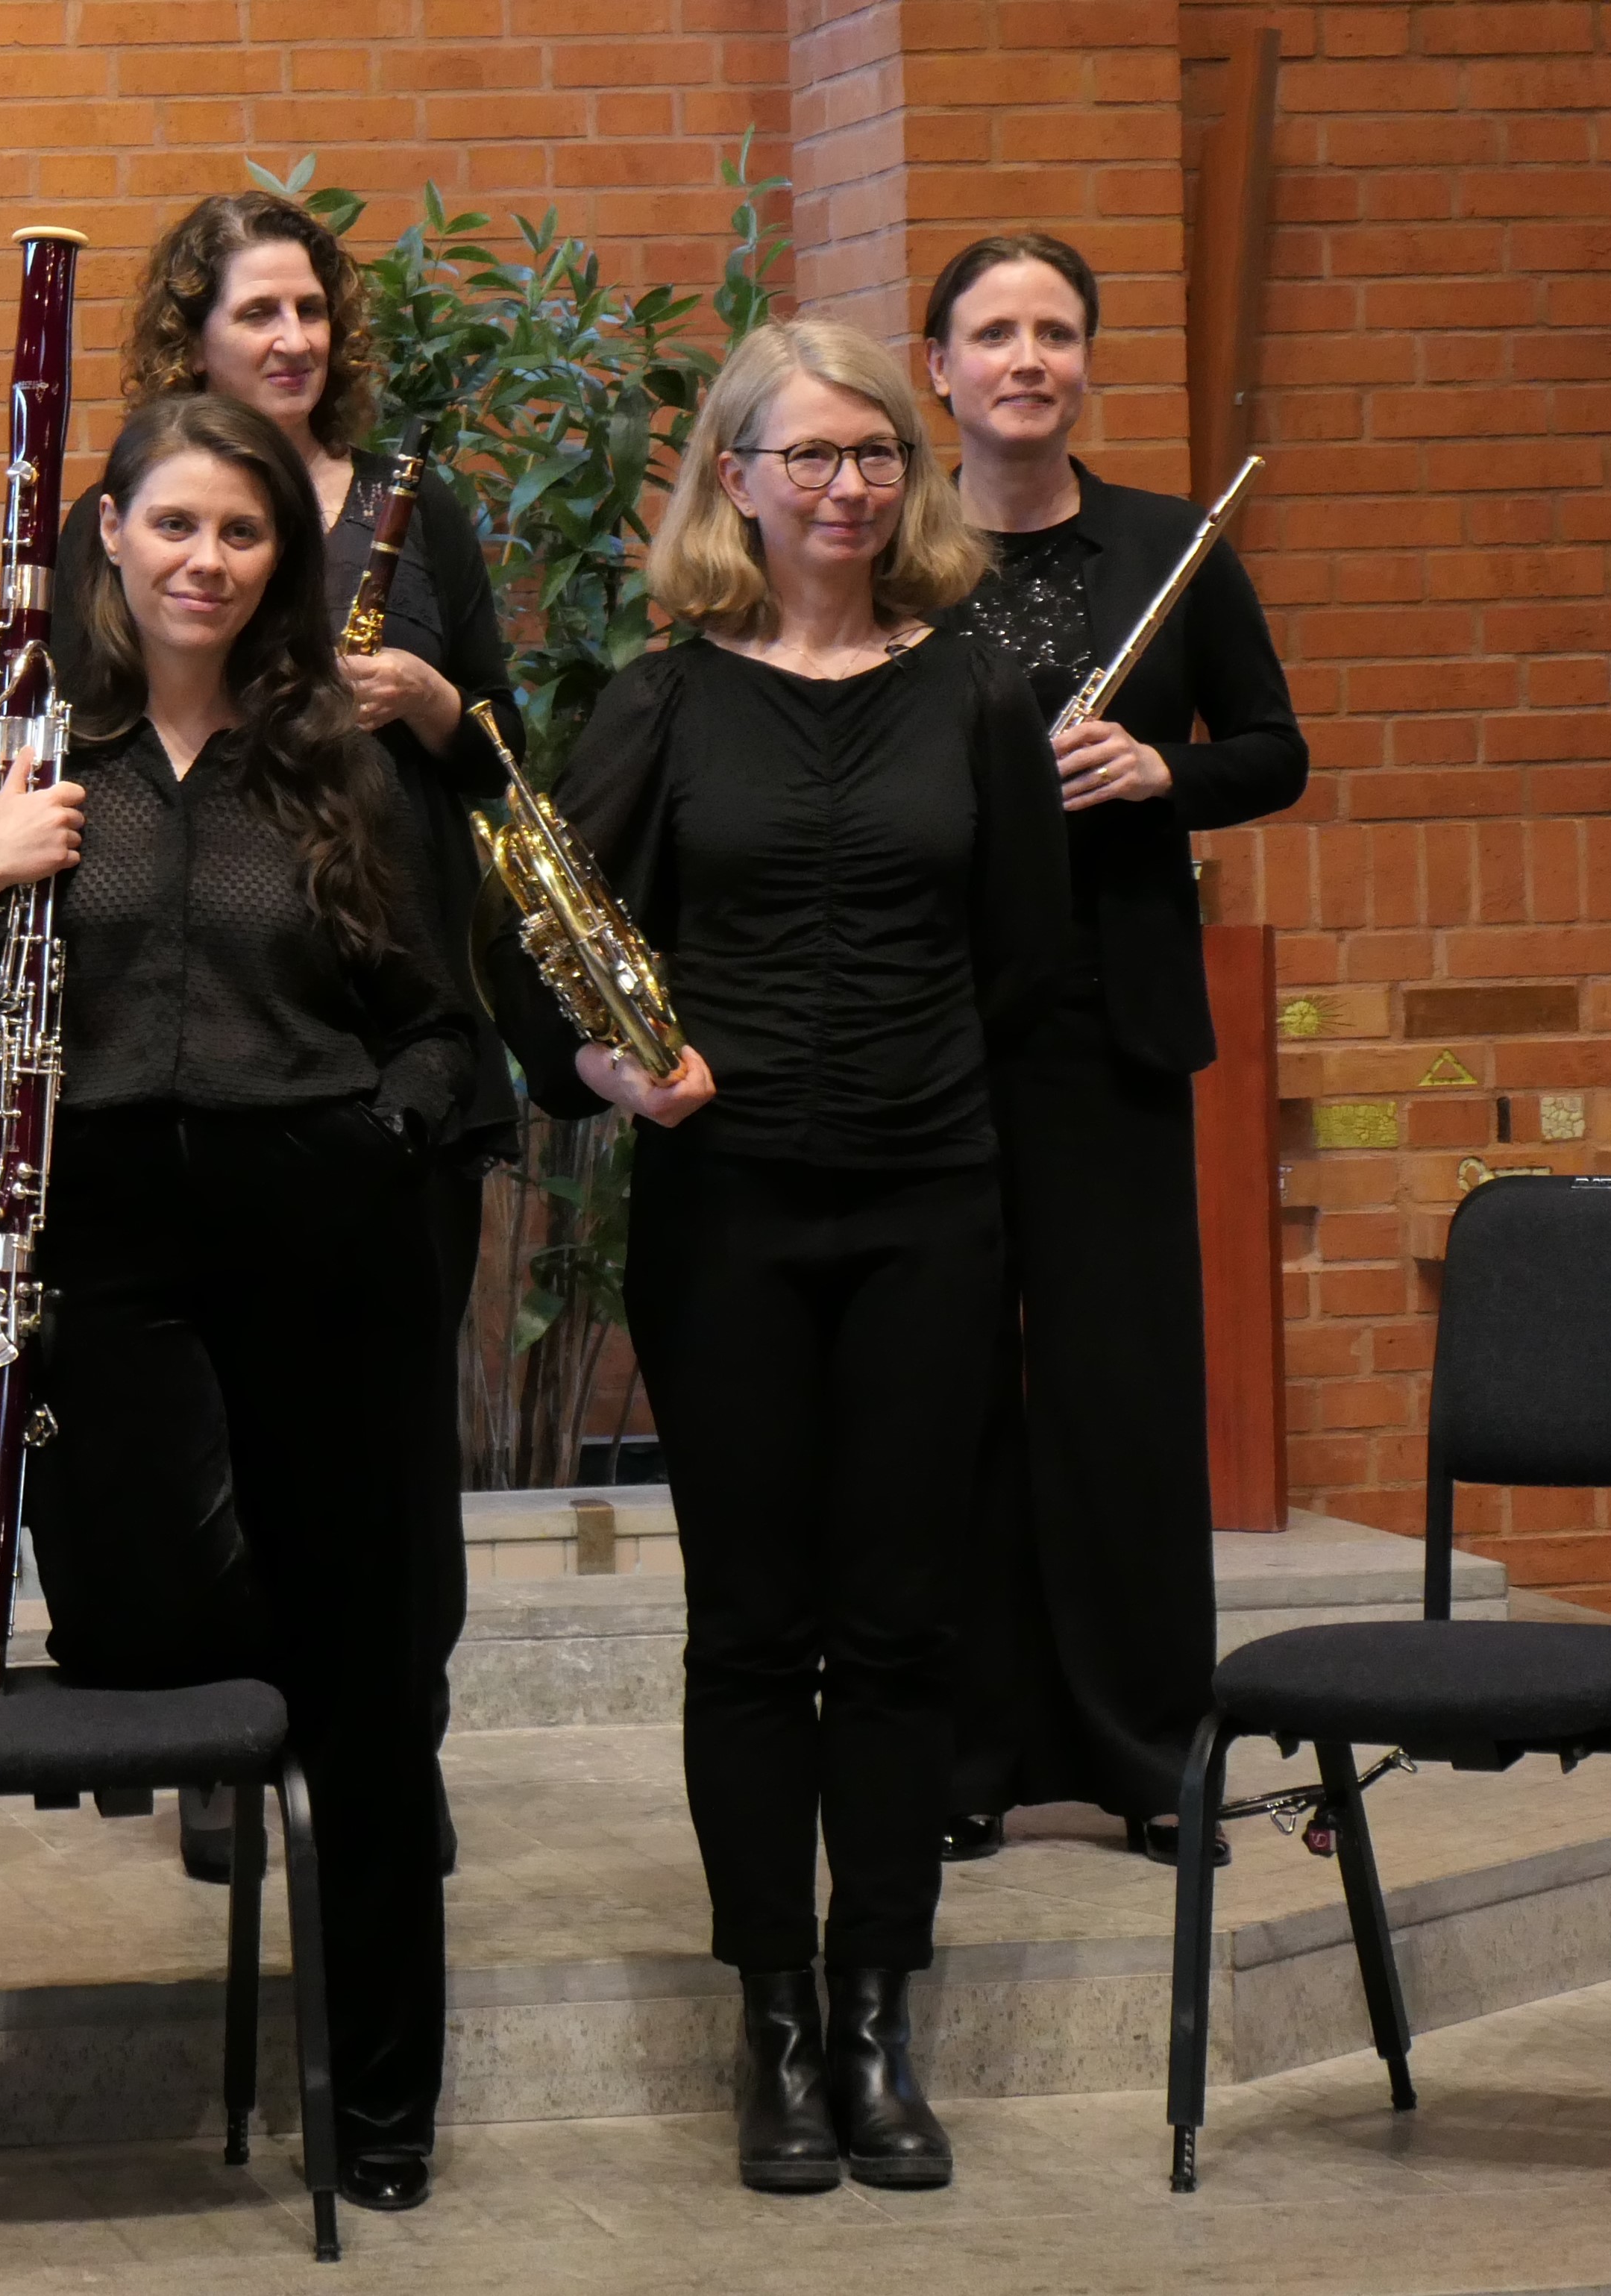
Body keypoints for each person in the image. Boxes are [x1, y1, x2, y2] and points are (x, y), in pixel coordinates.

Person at [0, 391, 477, 2215]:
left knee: (368, 1700)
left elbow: (441, 1025)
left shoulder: (336, 760)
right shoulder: (16, 752)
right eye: (173, 525)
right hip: (100, 1229)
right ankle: (262, 1701)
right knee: (144, 1617)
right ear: (109, 532)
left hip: (324, 1233)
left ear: (273, 560)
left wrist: (383, 1138)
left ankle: (379, 2107)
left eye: (241, 533)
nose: (204, 560)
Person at [486, 318, 1067, 2197]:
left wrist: (909, 1087)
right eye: (803, 455)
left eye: (872, 455)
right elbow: (541, 938)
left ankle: (881, 2009)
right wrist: (599, 1056)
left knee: (898, 1628)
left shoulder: (977, 691)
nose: (843, 487)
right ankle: (776, 2027)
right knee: (748, 1630)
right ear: (729, 478)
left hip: (926, 1200)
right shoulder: (662, 700)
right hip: (723, 1206)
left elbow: (1022, 960)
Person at [50, 189, 515, 1877]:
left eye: (313, 311)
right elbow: (66, 744)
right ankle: (227, 1737)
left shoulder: (414, 514)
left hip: (357, 1034)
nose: (292, 338)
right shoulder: (143, 513)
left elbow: (499, 771)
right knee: (178, 1484)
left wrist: (428, 711)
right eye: (258, 311)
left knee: (377, 1479)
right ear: (197, 333)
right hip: (170, 1091)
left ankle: (380, 1738)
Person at [921, 231, 1309, 1869]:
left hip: (1112, 1018)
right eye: (994, 333)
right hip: (932, 1019)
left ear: (1086, 363)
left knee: (1123, 1387)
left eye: (1056, 333)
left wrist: (1163, 776)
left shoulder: (1172, 547)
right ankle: (967, 1752)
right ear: (935, 366)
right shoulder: (893, 553)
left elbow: (1277, 752)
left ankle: (1156, 1751)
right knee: (951, 1390)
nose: (1028, 359)